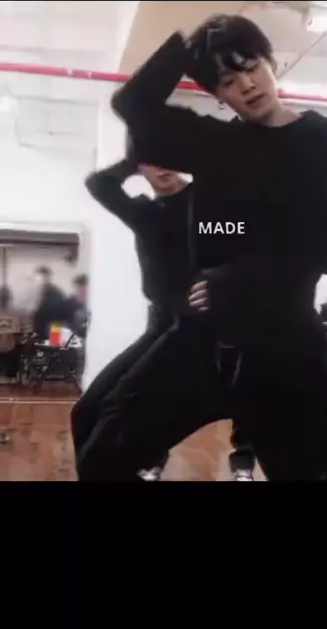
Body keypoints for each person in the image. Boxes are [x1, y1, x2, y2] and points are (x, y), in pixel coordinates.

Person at [76, 16, 327, 481]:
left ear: (272, 63)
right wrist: (194, 42)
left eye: (251, 67)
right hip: (204, 337)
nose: (246, 85)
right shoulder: (219, 144)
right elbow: (133, 104)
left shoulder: (318, 141)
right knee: (102, 450)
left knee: (325, 474)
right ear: (218, 95)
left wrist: (238, 278)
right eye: (227, 81)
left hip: (280, 341)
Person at [72, 157, 255, 480]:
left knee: (118, 424)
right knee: (85, 414)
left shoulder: (206, 206)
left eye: (167, 156)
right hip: (160, 326)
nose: (161, 166)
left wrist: (224, 281)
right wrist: (136, 156)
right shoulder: (144, 213)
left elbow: (246, 242)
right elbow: (99, 184)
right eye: (151, 160)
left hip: (198, 332)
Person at [32, 266, 68, 341]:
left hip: (52, 334)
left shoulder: (58, 295)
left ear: (49, 278)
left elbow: (62, 318)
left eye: (44, 278)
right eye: (39, 279)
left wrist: (55, 338)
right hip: (33, 335)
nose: (42, 282)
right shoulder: (30, 294)